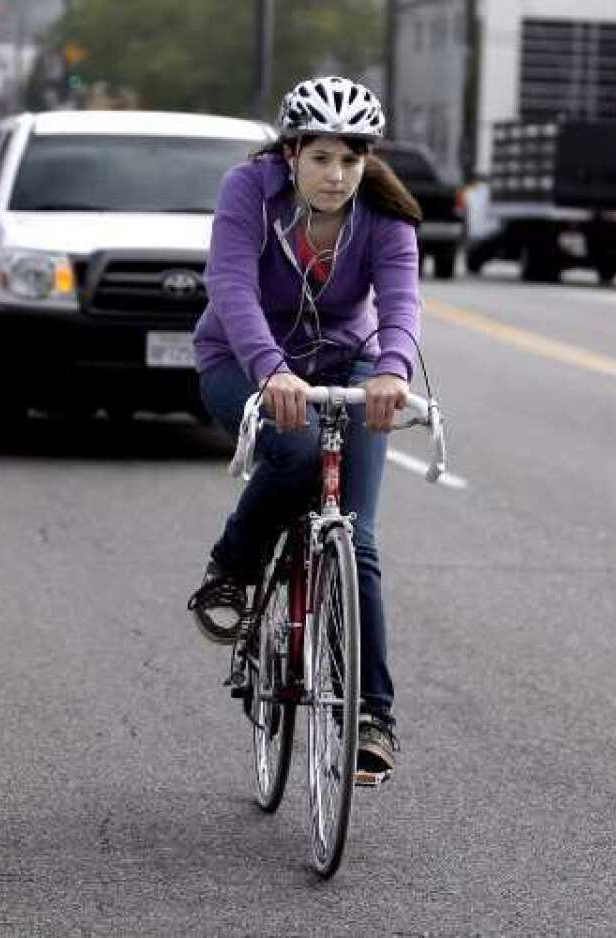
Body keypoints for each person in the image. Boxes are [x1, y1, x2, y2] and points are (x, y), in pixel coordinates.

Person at [187, 76, 422, 775]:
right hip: (240, 360)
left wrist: (393, 371)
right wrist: (270, 370)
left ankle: (373, 717)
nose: (336, 175)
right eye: (321, 157)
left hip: (345, 364)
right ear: (291, 153)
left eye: (350, 159)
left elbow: (402, 304)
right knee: (291, 455)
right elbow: (230, 287)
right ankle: (233, 566)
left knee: (359, 534)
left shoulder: (386, 215)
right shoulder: (247, 192)